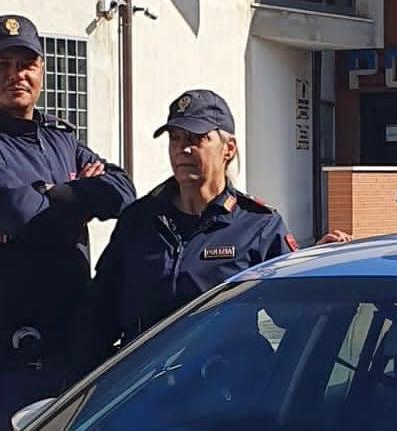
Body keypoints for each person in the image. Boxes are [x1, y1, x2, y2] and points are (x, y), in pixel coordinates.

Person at [0, 14, 135, 431]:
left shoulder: (61, 139)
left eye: (25, 64)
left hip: (78, 348)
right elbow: (28, 218)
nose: (15, 75)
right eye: (1, 65)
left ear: (41, 70)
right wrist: (80, 198)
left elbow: (122, 192)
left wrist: (53, 194)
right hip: (11, 361)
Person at [91, 89, 342, 357]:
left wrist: (313, 272)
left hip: (223, 386)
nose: (182, 149)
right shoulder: (139, 220)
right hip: (144, 384)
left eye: (196, 139)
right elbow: (99, 314)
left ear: (228, 149)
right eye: (175, 138)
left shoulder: (258, 226)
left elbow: (290, 317)